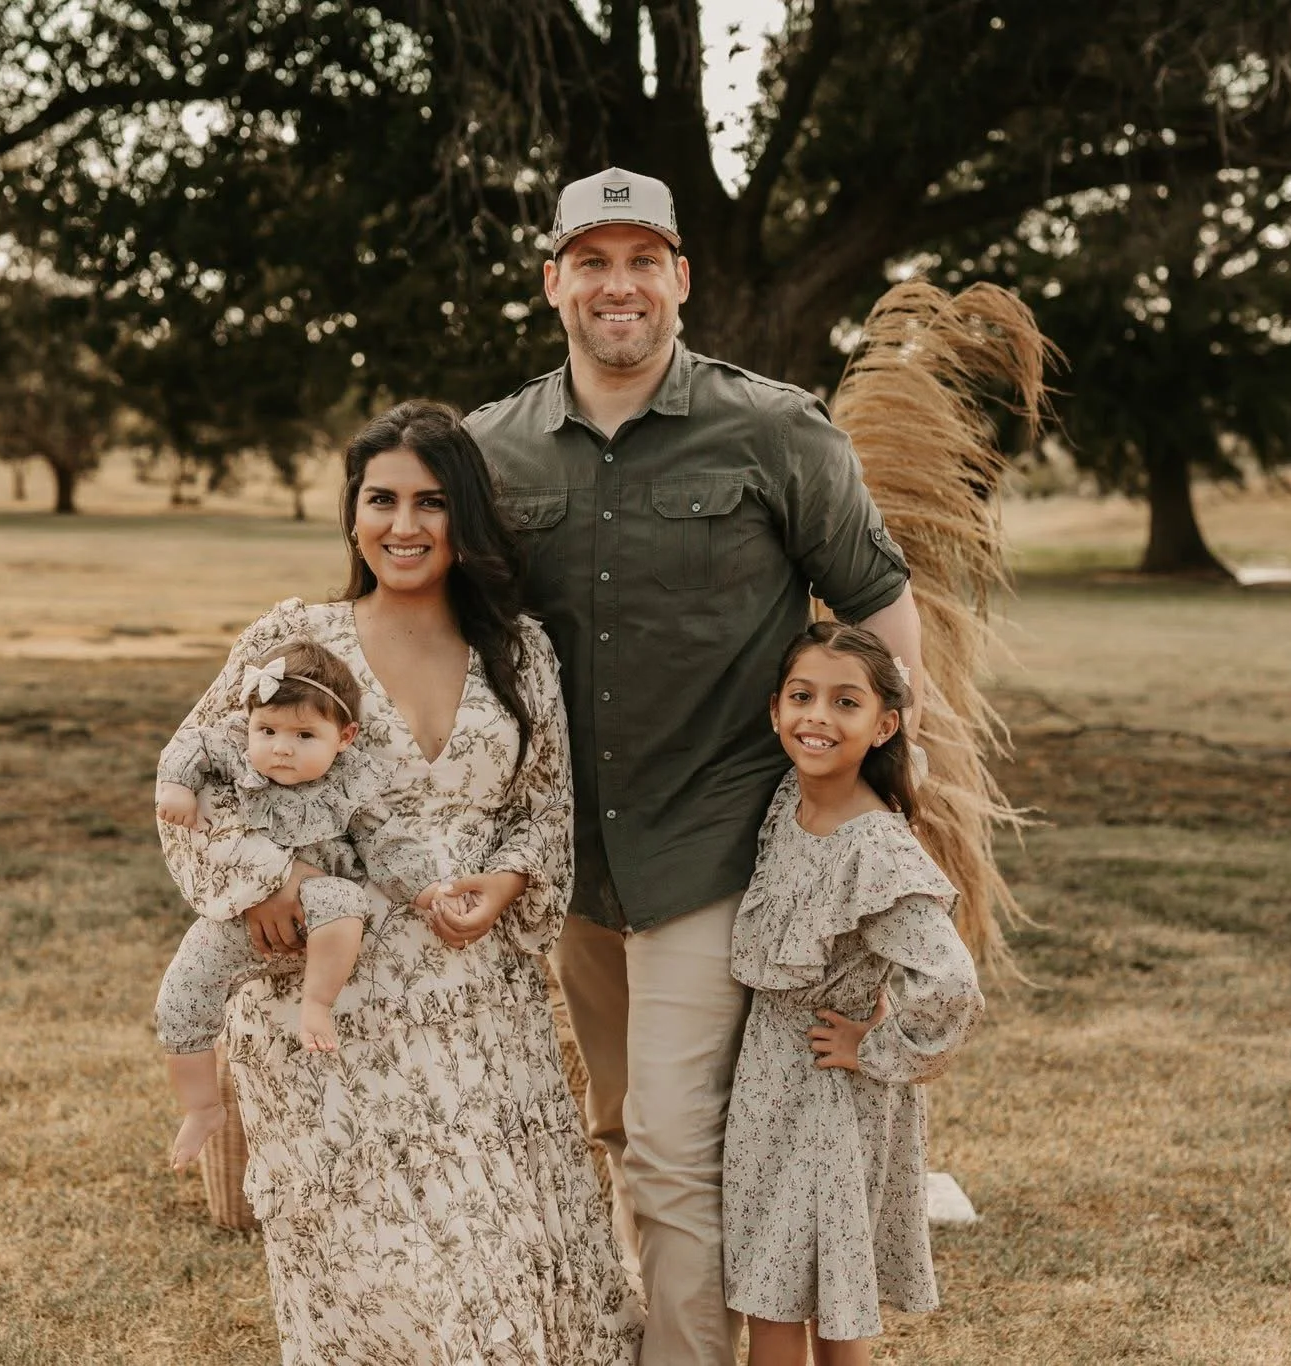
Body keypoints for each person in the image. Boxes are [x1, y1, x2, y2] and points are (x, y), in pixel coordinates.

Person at [466, 167, 926, 1365]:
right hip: (568, 861)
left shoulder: (773, 428)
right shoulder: (490, 448)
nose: (616, 286)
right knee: (624, 1128)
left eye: (640, 260)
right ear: (554, 280)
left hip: (715, 848)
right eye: (591, 261)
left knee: (672, 1143)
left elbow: (877, 605)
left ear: (679, 275)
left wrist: (869, 801)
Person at [154, 400, 640, 1364]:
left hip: (479, 1018)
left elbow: (543, 812)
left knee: (511, 1268)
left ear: (466, 521)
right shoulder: (292, 645)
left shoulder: (520, 651)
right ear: (352, 513)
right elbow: (197, 790)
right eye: (382, 499)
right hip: (326, 1016)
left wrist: (505, 883)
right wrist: (272, 883)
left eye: (431, 503)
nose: (404, 526)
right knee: (384, 1282)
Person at [723, 621, 983, 1366]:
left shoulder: (875, 850)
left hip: (829, 1090)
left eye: (846, 703)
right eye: (803, 697)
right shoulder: (790, 799)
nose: (818, 718)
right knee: (803, 1280)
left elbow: (951, 983)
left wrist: (874, 1045)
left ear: (883, 724)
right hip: (771, 1081)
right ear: (774, 709)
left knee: (789, 1295)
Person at [153, 638, 392, 1171]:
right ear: (249, 724)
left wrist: (424, 888)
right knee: (180, 995)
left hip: (317, 913)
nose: (281, 748)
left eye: (304, 735)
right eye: (268, 731)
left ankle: (317, 1002)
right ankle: (201, 1107)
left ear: (345, 737)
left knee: (342, 899)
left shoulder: (351, 782)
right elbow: (188, 746)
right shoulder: (232, 749)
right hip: (235, 916)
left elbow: (387, 845)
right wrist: (177, 787)